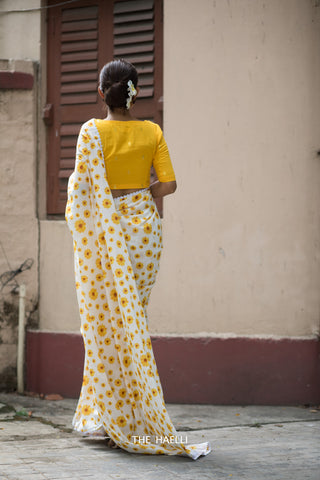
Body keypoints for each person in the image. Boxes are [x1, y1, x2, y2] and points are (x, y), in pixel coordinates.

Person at [65, 59, 210, 460]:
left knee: (105, 325)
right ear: (135, 92)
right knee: (133, 319)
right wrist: (141, 194)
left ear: (100, 93)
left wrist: (108, 210)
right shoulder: (152, 132)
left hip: (103, 235)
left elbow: (81, 194)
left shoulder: (91, 132)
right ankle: (128, 418)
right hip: (144, 233)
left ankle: (114, 419)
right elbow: (170, 184)